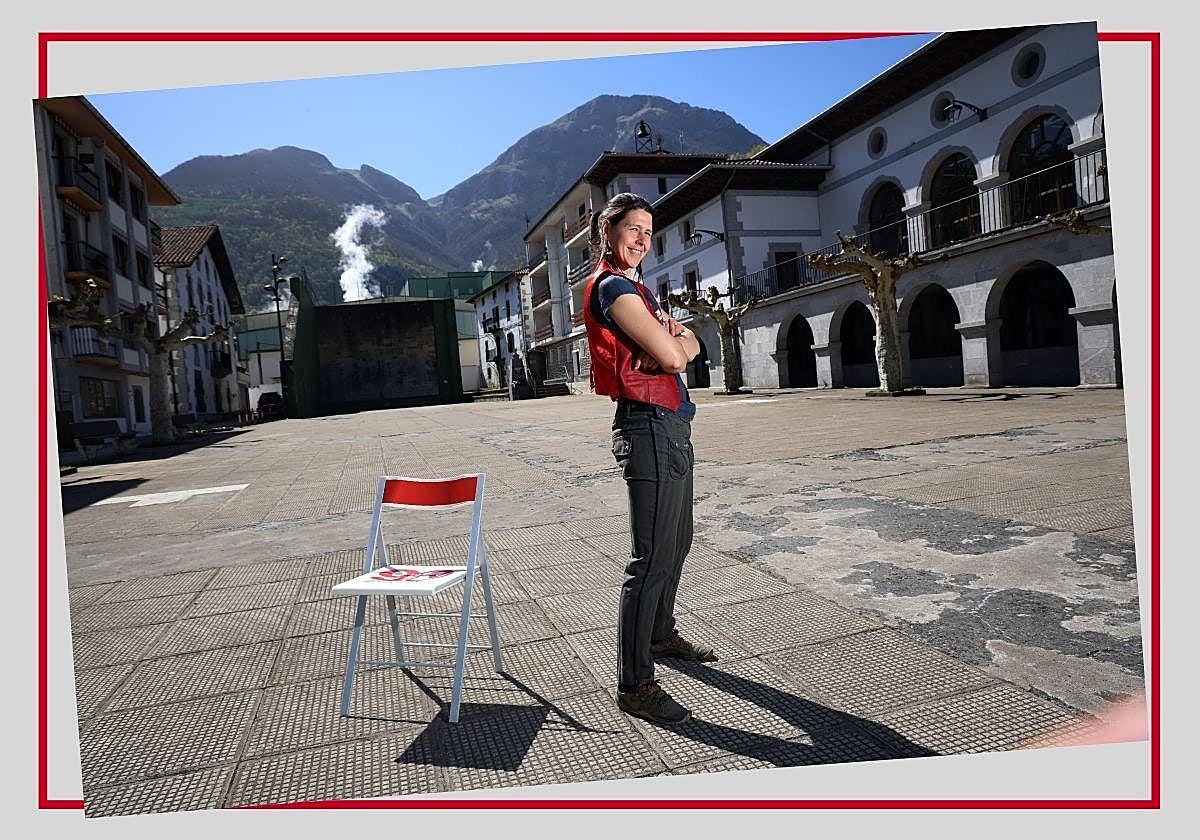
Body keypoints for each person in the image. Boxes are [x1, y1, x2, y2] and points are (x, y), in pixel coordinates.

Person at [582, 192, 718, 726]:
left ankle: (660, 635)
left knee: (676, 544)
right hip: (648, 427)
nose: (641, 238)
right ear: (607, 231)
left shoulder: (637, 288)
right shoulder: (613, 287)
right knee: (650, 558)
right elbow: (671, 355)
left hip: (672, 424)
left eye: (648, 230)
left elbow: (693, 346)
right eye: (632, 228)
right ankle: (635, 685)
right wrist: (674, 341)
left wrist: (680, 340)